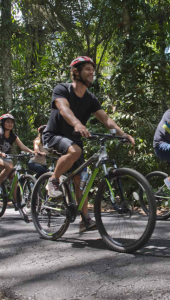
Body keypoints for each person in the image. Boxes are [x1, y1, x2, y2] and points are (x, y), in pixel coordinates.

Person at [42, 56, 135, 233]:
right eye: (87, 69)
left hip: (73, 140)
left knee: (80, 181)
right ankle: (53, 180)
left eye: (93, 70)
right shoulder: (62, 89)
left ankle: (85, 220)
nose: (92, 72)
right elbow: (64, 109)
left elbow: (106, 119)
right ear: (75, 72)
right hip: (54, 135)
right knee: (75, 151)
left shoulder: (90, 98)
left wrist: (123, 134)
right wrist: (77, 123)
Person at [0, 114, 39, 210]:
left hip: (6, 158)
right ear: (2, 123)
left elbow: (22, 147)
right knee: (9, 166)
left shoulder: (13, 136)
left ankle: (17, 203)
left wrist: (32, 152)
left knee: (14, 179)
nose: (10, 124)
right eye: (8, 122)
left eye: (12, 122)